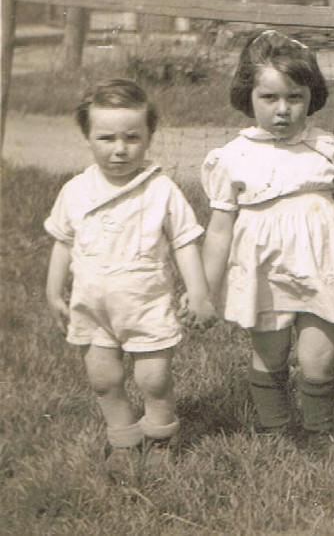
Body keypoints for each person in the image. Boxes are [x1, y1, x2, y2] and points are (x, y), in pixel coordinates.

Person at [43, 79, 216, 484]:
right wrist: (53, 290)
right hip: (93, 306)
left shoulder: (161, 190)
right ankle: (123, 441)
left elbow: (186, 242)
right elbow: (63, 242)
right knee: (104, 379)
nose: (119, 149)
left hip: (146, 305)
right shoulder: (76, 190)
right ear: (87, 137)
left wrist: (198, 291)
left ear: (149, 137)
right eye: (106, 138)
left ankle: (159, 437)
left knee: (153, 379)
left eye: (132, 138)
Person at [202, 31, 334, 449]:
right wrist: (204, 288)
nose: (283, 110)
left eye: (295, 97)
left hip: (319, 264)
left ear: (312, 97)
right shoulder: (233, 157)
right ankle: (276, 431)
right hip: (263, 268)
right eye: (269, 98)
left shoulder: (329, 151)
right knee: (269, 354)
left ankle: (318, 431)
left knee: (318, 358)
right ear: (248, 97)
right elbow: (218, 229)